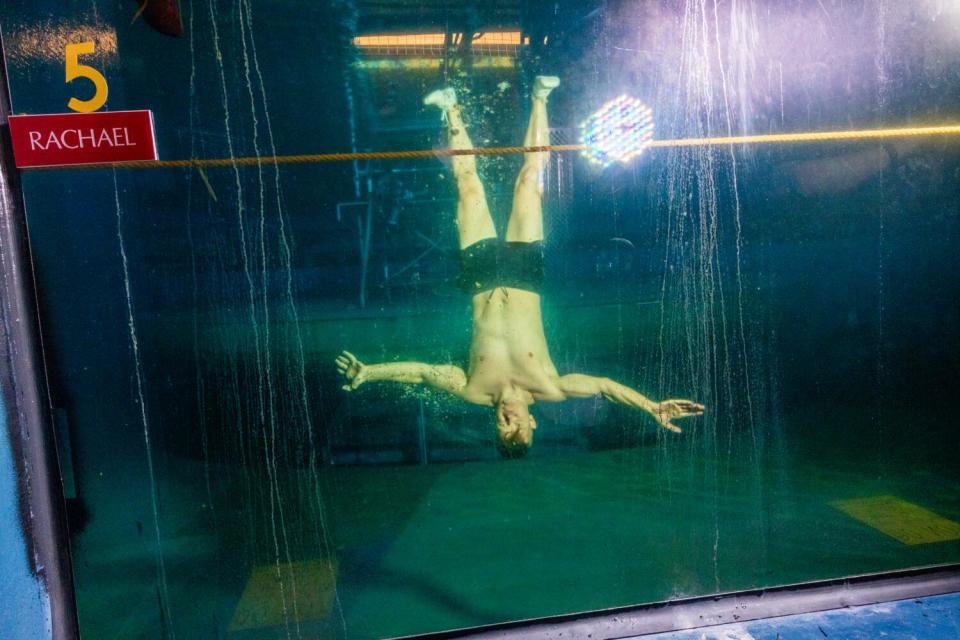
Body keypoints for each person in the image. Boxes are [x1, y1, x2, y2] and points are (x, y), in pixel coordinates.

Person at [336, 76, 704, 458]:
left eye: (502, 426)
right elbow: (605, 386)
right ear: (533, 423)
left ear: (494, 426)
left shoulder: (473, 389)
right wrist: (650, 406)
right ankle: (540, 98)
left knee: (468, 186)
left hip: (479, 278)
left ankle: (450, 108)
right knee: (530, 181)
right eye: (518, 426)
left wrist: (369, 372)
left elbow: (423, 373)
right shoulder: (551, 387)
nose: (509, 419)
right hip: (525, 276)